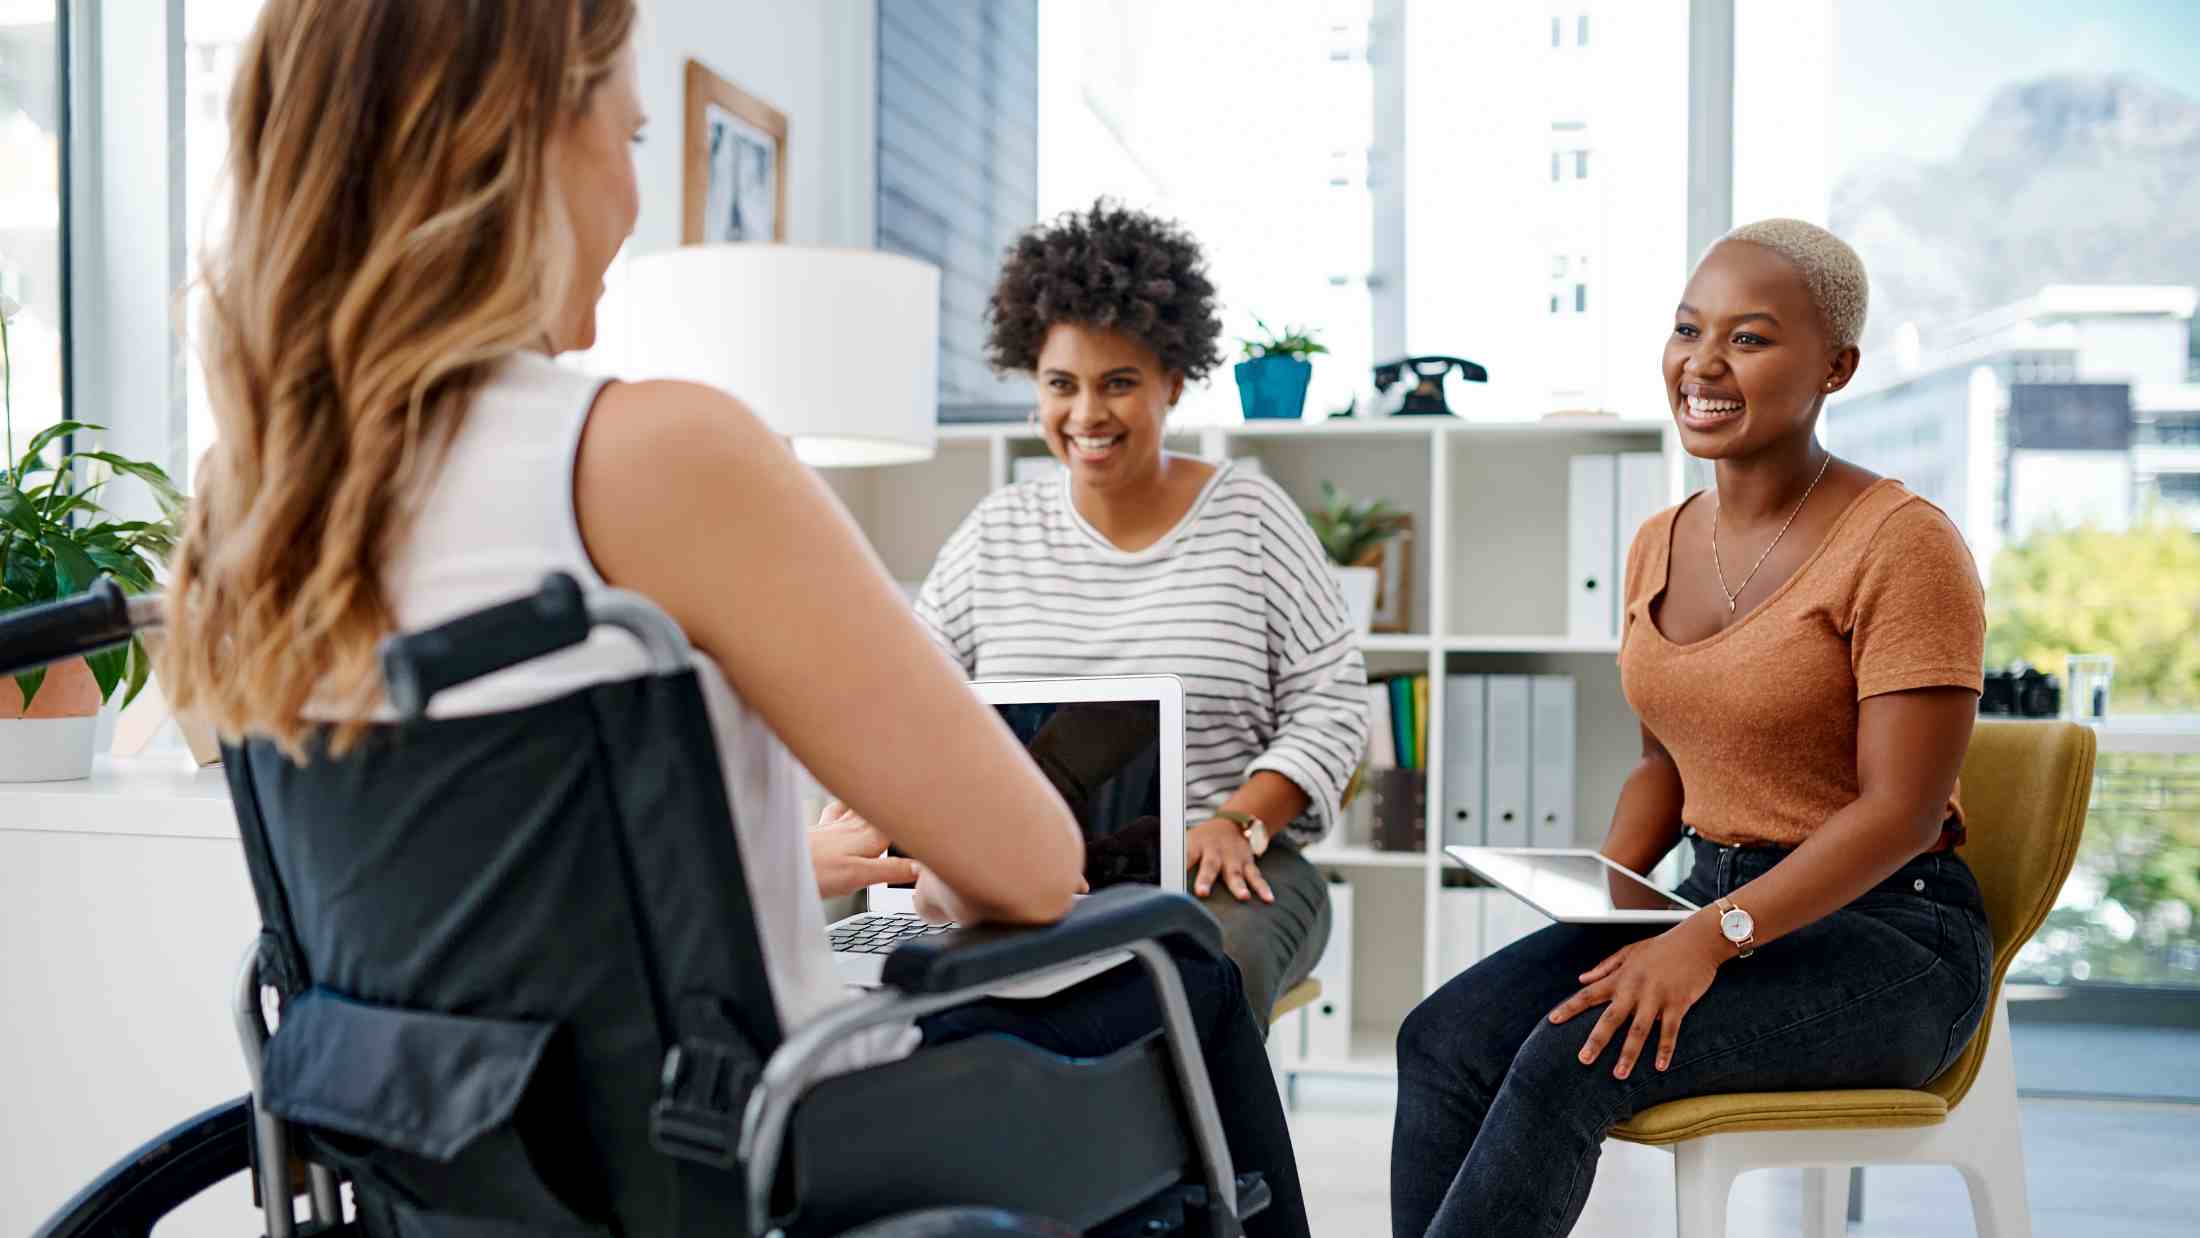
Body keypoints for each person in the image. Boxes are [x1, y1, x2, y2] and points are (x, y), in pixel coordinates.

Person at [158, 4, 1306, 1233]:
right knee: (1176, 959)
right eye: (633, 135)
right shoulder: (653, 451)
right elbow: (1031, 864)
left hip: (442, 1173)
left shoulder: (250, 514)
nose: (632, 198)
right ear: (530, 142)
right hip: (756, 1163)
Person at [1390, 218, 1994, 1238]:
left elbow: (1901, 812)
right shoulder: (1657, 541)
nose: (1702, 365)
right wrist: (1597, 894)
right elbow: (1662, 765)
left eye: (1750, 339)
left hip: (1887, 934)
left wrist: (1711, 936)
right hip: (1706, 904)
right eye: (1686, 329)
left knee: (1571, 1058)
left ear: (1835, 367)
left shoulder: (1903, 544)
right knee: (1445, 1034)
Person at [915, 201, 1371, 1025]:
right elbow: (917, 690)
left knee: (1195, 972)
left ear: (1172, 380)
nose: (1086, 415)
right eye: (1062, 385)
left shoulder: (1252, 520)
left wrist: (1239, 818)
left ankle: (1215, 1160)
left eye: (1118, 383)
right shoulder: (997, 534)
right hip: (1033, 866)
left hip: (1232, 869)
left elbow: (1332, 707)